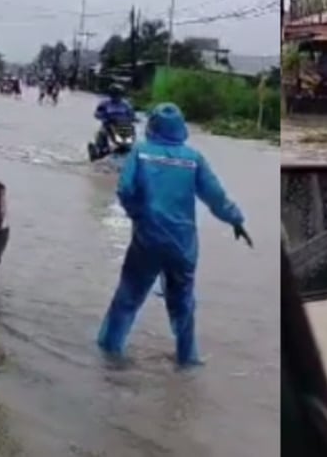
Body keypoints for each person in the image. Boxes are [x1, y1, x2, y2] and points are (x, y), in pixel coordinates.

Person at [97, 102, 253, 368]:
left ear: (152, 126)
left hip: (147, 239)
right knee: (183, 305)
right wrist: (236, 220)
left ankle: (109, 354)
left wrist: (139, 215)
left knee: (128, 298)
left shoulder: (141, 153)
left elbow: (125, 190)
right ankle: (187, 360)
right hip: (183, 243)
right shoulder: (193, 159)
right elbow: (215, 196)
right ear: (181, 127)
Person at [93, 83, 137, 157]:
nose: (117, 96)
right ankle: (101, 150)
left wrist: (133, 119)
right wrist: (104, 117)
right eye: (115, 94)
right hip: (108, 125)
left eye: (119, 94)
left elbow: (132, 115)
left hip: (122, 126)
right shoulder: (104, 103)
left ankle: (126, 150)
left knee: (130, 137)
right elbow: (97, 113)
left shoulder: (126, 104)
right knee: (102, 133)